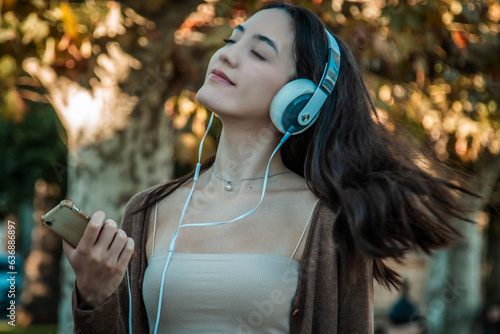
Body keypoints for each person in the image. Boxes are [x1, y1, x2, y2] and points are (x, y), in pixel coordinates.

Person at [63, 2, 475, 333]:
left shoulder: (328, 222)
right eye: (231, 39)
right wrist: (93, 294)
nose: (226, 54)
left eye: (258, 52)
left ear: (301, 100)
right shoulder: (146, 210)